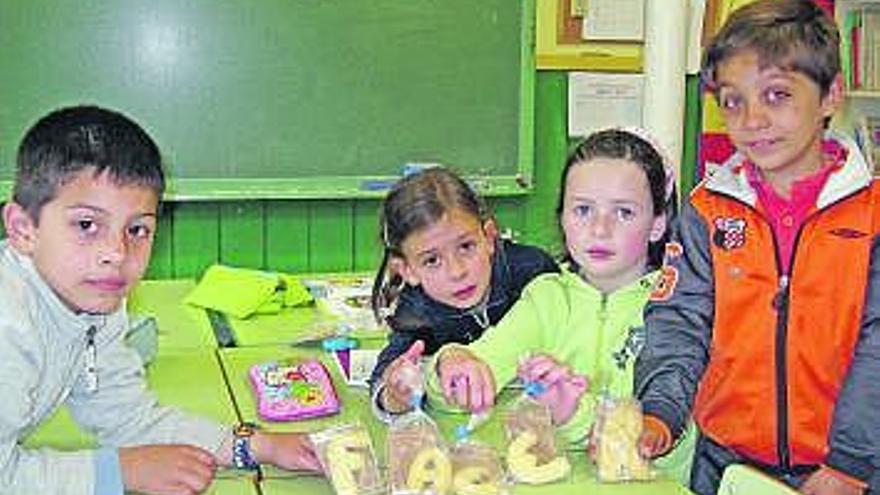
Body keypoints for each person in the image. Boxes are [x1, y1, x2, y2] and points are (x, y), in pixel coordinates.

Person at [0, 105, 322, 495]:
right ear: (22, 229)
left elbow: (126, 416)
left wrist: (254, 445)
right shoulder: (9, 322)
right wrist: (117, 472)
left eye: (137, 229)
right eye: (86, 225)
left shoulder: (96, 299)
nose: (116, 253)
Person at [634, 1, 880, 494]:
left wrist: (851, 463)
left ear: (831, 95)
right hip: (725, 466)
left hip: (848, 473)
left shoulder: (871, 214)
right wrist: (659, 412)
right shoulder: (706, 213)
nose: (752, 119)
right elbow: (680, 323)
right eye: (732, 100)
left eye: (777, 95)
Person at [427, 128, 693, 483]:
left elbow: (656, 449)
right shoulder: (547, 297)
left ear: (658, 223)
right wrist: (452, 364)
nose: (599, 229)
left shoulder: (681, 308)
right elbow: (458, 391)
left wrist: (573, 415)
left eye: (624, 212)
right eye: (583, 209)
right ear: (563, 216)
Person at [368, 166, 558, 419]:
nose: (457, 272)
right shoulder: (416, 310)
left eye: (466, 246)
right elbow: (387, 374)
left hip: (548, 418)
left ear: (489, 238)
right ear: (407, 270)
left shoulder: (533, 270)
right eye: (432, 260)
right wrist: (393, 396)